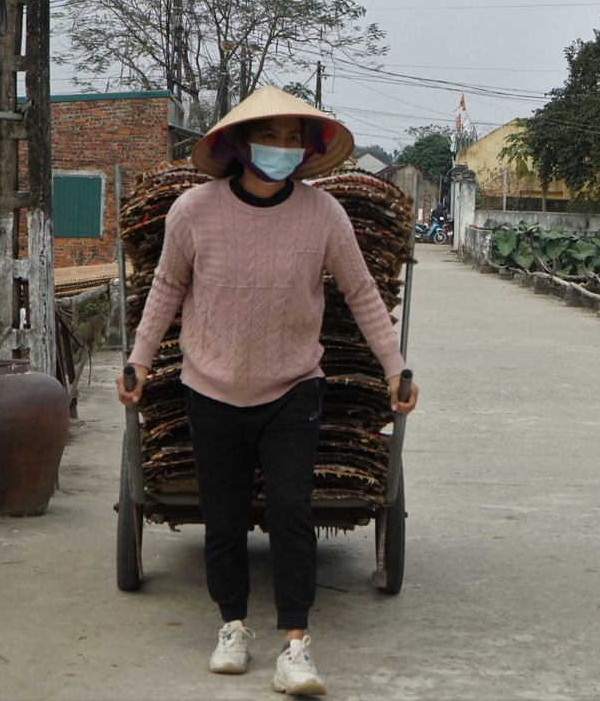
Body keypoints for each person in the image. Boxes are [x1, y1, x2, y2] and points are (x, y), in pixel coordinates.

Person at [115, 85, 418, 697]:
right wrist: (139, 360)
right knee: (224, 520)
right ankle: (231, 628)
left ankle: (295, 647)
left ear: (306, 150)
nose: (281, 147)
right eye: (269, 136)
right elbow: (167, 287)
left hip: (293, 387)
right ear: (238, 144)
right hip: (210, 385)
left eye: (292, 139)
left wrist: (395, 367)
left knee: (291, 513)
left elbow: (362, 292)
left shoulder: (323, 214)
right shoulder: (193, 211)